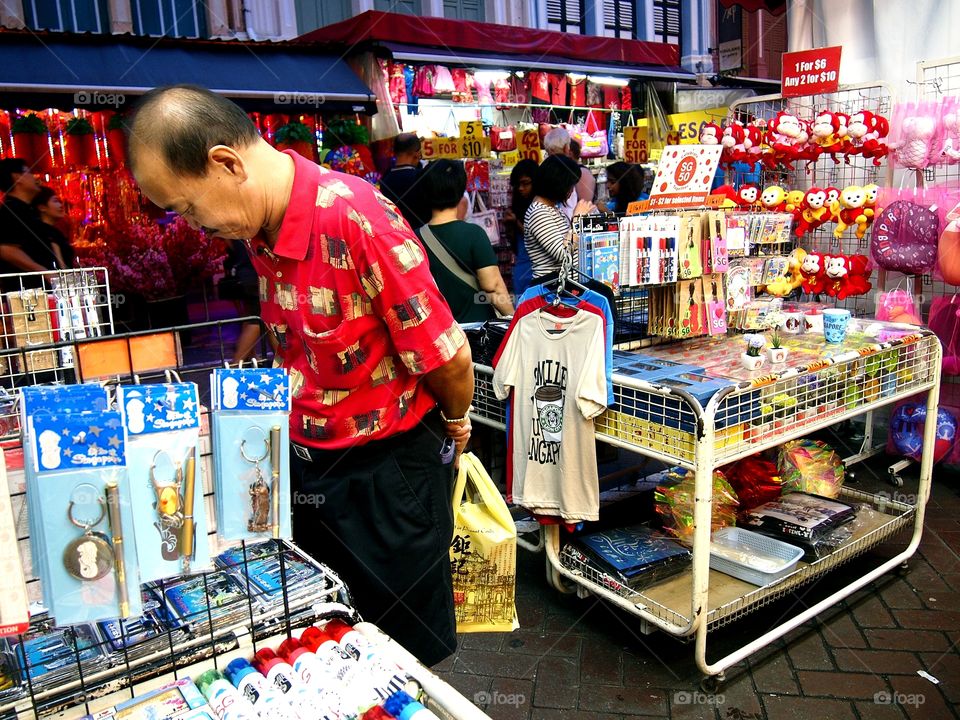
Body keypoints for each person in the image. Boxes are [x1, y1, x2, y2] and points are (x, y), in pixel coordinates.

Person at [125, 84, 474, 667]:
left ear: (226, 163)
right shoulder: (257, 227)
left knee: (404, 658)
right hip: (308, 466)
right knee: (329, 646)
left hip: (388, 477)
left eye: (187, 207)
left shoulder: (356, 217)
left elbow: (448, 356)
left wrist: (457, 421)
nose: (190, 225)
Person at [415, 160, 514, 322]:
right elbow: (493, 287)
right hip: (477, 331)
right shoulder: (473, 234)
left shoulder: (414, 238)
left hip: (440, 332)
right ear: (461, 191)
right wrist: (513, 318)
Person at [524, 154, 595, 280]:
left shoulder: (553, 209)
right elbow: (563, 253)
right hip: (553, 289)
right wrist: (577, 219)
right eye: (570, 186)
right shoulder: (539, 212)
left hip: (565, 286)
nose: (572, 191)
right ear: (559, 184)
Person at [0, 158, 60, 290]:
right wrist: (43, 271)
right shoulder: (10, 211)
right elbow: (6, 250)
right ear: (17, 177)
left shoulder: (28, 210)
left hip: (42, 289)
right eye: (29, 172)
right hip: (27, 294)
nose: (34, 178)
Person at [220, 239, 264, 363]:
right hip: (253, 274)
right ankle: (236, 363)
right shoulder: (249, 228)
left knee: (249, 316)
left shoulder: (234, 229)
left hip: (243, 273)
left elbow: (230, 247)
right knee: (258, 318)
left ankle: (250, 355)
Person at [378, 133, 429, 230]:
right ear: (416, 153)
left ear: (394, 152)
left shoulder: (385, 179)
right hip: (420, 235)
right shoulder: (421, 178)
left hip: (396, 234)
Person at [501, 159, 537, 294]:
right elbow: (515, 243)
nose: (521, 188)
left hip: (534, 268)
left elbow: (534, 236)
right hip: (522, 265)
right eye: (518, 185)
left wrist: (516, 222)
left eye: (526, 183)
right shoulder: (519, 205)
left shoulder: (538, 207)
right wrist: (509, 225)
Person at [542, 127, 596, 217]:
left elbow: (585, 206)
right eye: (549, 152)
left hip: (573, 224)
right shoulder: (550, 173)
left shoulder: (581, 173)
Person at [32, 186, 75, 269]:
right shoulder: (48, 232)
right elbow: (61, 265)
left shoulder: (53, 231)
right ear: (42, 208)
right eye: (56, 201)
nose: (61, 205)